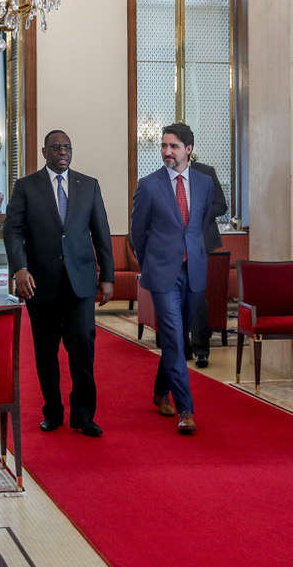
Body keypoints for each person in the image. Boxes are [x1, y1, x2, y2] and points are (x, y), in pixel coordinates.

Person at [4, 130, 114, 437]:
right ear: (44, 152)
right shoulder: (26, 187)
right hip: (41, 285)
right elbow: (12, 231)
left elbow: (101, 233)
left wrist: (107, 276)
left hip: (80, 285)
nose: (62, 152)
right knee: (46, 353)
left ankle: (84, 415)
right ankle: (52, 411)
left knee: (82, 350)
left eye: (66, 147)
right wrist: (19, 269)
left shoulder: (88, 185)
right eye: (56, 148)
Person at [131, 123, 214, 434]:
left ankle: (158, 391)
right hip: (163, 274)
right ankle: (186, 409)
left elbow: (200, 225)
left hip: (193, 271)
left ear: (188, 150)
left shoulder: (205, 183)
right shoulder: (149, 185)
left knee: (176, 340)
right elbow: (137, 233)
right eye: (164, 146)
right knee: (174, 339)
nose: (167, 151)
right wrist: (150, 264)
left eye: (173, 146)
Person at [186, 156, 227, 368]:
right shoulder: (164, 174)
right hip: (173, 244)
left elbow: (221, 205)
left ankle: (201, 350)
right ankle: (182, 347)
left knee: (197, 296)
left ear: (188, 148)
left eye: (175, 145)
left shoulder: (206, 172)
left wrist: (200, 212)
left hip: (201, 242)